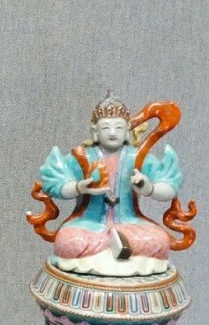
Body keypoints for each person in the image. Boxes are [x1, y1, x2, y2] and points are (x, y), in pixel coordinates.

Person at [40, 93, 182, 276]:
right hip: (89, 224)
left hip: (129, 223)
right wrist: (78, 187)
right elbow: (56, 183)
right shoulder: (83, 156)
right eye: (106, 128)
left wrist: (149, 188)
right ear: (95, 132)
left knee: (159, 240)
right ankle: (113, 257)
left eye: (119, 127)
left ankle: (111, 257)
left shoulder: (138, 158)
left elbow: (169, 186)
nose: (113, 133)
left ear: (127, 131)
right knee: (68, 241)